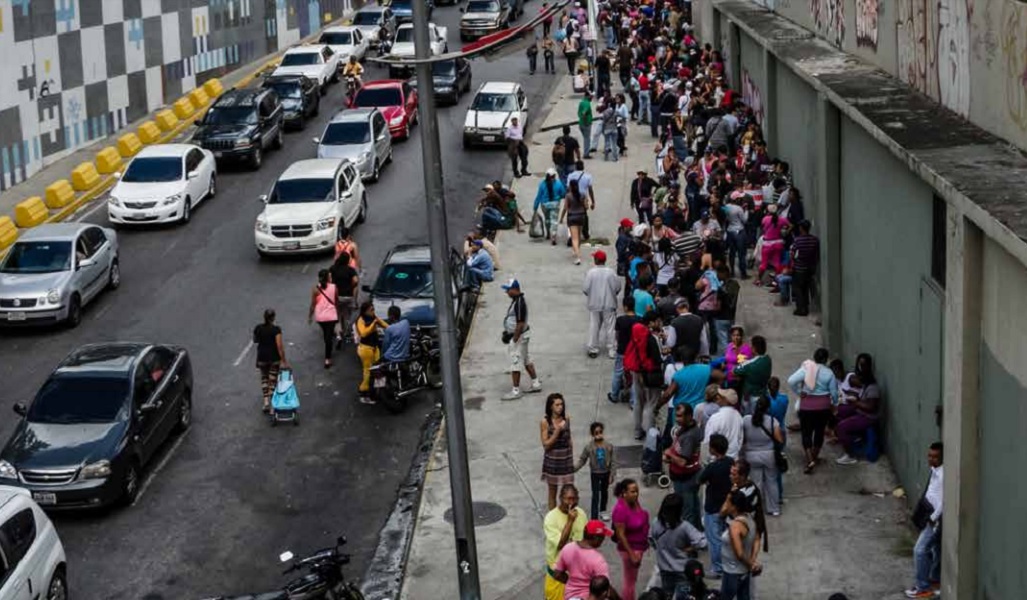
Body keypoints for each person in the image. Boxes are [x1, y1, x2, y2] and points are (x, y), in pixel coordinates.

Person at [787, 347, 839, 473]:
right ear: (826, 360)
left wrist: (799, 392)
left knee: (806, 433)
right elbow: (834, 393)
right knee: (819, 433)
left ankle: (810, 460)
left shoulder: (807, 368)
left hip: (807, 406)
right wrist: (834, 405)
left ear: (814, 357)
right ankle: (814, 458)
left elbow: (791, 381)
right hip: (823, 407)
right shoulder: (829, 373)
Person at [650, 493, 707, 598]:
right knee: (683, 596)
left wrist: (660, 549)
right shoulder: (685, 527)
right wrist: (690, 548)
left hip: (664, 569)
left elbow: (651, 539)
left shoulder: (656, 523)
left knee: (667, 595)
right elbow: (702, 542)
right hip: (682, 570)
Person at [905, 442, 943, 598]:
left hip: (934, 518)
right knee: (934, 549)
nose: (931, 459)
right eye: (929, 455)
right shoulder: (935, 470)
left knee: (920, 551)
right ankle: (934, 579)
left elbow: (944, 501)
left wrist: (933, 518)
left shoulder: (944, 474)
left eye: (935, 457)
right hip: (929, 514)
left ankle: (923, 588)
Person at [698, 434, 733, 578]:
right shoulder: (731, 462)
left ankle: (718, 568)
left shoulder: (712, 467)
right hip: (727, 506)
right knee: (725, 537)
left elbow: (700, 479)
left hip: (713, 507)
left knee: (714, 539)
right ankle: (727, 563)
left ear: (713, 449)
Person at [551, 520, 616, 600]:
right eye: (603, 536)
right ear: (596, 538)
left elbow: (557, 575)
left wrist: (572, 582)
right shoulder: (598, 560)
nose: (603, 539)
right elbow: (606, 588)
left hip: (570, 597)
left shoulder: (568, 548)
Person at [834, 359, 882, 465]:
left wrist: (855, 402)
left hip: (868, 417)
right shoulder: (866, 386)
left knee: (841, 427)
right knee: (839, 416)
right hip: (861, 413)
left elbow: (870, 407)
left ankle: (850, 455)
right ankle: (854, 439)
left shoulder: (872, 388)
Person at [625, 312, 664, 440]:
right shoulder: (651, 338)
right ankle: (651, 433)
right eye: (656, 321)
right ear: (651, 323)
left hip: (636, 371)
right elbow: (657, 359)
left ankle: (637, 430)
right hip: (649, 373)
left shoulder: (636, 332)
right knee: (652, 404)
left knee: (638, 402)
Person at [663, 403, 704, 528]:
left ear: (689, 416)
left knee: (687, 511)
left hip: (686, 479)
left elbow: (682, 461)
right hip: (682, 477)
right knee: (693, 506)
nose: (677, 419)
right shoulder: (684, 429)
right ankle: (697, 531)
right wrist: (670, 457)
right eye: (676, 415)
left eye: (680, 416)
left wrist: (670, 454)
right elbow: (677, 448)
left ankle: (690, 539)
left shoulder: (690, 436)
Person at [742, 396, 784, 517]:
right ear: (768, 408)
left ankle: (756, 508)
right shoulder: (772, 421)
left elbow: (743, 439)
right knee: (771, 482)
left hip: (751, 455)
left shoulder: (746, 420)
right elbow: (779, 439)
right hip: (769, 455)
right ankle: (774, 508)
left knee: (756, 483)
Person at [544, 484, 587, 600]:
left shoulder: (581, 514)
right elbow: (560, 545)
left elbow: (584, 540)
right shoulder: (551, 518)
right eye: (568, 498)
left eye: (574, 498)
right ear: (560, 498)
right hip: (558, 576)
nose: (571, 502)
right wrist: (570, 521)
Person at [502, 279, 542, 400]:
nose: (507, 292)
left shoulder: (519, 303)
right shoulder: (517, 301)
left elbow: (520, 323)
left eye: (508, 290)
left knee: (515, 362)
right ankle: (536, 383)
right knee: (526, 360)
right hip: (522, 335)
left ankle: (515, 391)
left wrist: (514, 339)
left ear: (515, 289)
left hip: (520, 337)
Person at [612, 478, 650, 600]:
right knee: (630, 583)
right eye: (633, 492)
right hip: (630, 549)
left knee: (632, 580)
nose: (636, 494)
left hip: (639, 547)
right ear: (624, 492)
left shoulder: (634, 502)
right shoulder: (620, 510)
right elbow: (620, 535)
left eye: (637, 491)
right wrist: (632, 555)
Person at [720, 489, 761, 600]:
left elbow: (739, 553)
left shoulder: (735, 526)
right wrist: (752, 561)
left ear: (734, 507)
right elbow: (757, 539)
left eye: (728, 501)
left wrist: (751, 564)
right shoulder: (749, 517)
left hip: (732, 572)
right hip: (744, 570)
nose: (725, 504)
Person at [583, 250, 622, 358]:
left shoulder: (591, 273)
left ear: (596, 260)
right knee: (610, 327)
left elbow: (585, 289)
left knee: (594, 326)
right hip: (609, 304)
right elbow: (618, 287)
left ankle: (593, 348)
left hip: (594, 304)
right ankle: (612, 350)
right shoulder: (611, 272)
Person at [574, 422, 617, 520]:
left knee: (604, 493)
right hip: (595, 474)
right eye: (596, 433)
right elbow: (582, 459)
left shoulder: (608, 446)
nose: (598, 434)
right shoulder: (589, 447)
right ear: (592, 434)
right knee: (595, 495)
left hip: (606, 473)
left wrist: (612, 474)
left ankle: (603, 511)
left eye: (600, 432)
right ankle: (594, 516)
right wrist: (574, 468)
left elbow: (613, 461)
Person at [541, 393, 576, 510]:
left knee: (569, 491)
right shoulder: (545, 422)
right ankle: (552, 518)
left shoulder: (566, 419)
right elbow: (546, 445)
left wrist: (571, 450)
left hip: (565, 458)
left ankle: (568, 514)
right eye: (557, 405)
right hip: (553, 460)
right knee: (552, 492)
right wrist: (557, 431)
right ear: (551, 406)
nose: (560, 407)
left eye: (561, 404)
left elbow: (569, 437)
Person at [254, 309, 287, 413]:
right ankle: (272, 406)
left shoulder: (258, 328)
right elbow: (279, 346)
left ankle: (266, 402)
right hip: (273, 358)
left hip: (262, 357)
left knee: (264, 378)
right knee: (272, 381)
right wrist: (284, 361)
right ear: (273, 317)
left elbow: (255, 340)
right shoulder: (276, 330)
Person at [355, 302, 388, 404]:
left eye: (373, 309)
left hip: (375, 347)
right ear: (365, 311)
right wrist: (374, 324)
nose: (373, 312)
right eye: (371, 310)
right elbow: (363, 333)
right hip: (366, 349)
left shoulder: (373, 317)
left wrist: (393, 329)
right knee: (368, 372)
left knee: (378, 369)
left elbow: (383, 323)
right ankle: (363, 393)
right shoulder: (360, 320)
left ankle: (378, 390)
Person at [610, 296, 639, 405]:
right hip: (635, 353)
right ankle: (633, 402)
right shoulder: (639, 320)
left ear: (625, 307)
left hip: (622, 351)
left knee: (618, 373)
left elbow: (617, 335)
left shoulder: (620, 320)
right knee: (635, 377)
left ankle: (614, 395)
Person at [308, 269, 338, 369]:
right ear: (328, 278)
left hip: (320, 317)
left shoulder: (316, 289)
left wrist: (310, 317)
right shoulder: (334, 287)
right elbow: (336, 301)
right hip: (332, 315)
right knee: (328, 336)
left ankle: (330, 337)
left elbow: (313, 304)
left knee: (326, 333)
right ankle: (327, 358)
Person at [329, 251, 359, 347]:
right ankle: (346, 333)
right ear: (347, 260)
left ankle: (338, 336)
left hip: (337, 296)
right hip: (348, 296)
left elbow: (329, 281)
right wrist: (350, 287)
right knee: (347, 315)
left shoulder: (333, 269)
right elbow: (356, 281)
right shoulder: (350, 269)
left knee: (337, 317)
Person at [703, 389, 744, 459]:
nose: (717, 397)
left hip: (717, 460)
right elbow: (740, 439)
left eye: (720, 396)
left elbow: (707, 440)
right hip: (733, 458)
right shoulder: (739, 416)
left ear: (726, 400)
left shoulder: (716, 417)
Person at [790, 219, 819, 316]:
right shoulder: (814, 240)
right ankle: (806, 307)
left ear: (801, 228)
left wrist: (793, 262)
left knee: (798, 289)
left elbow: (792, 253)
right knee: (806, 288)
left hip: (799, 268)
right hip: (810, 268)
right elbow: (816, 255)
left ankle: (800, 309)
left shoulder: (798, 240)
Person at [733, 335, 772, 409]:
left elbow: (735, 371)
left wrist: (739, 355)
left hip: (750, 397)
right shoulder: (768, 359)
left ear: (754, 348)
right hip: (763, 394)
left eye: (752, 346)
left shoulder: (749, 365)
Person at [560, 177, 589, 265]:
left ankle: (577, 256)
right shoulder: (582, 195)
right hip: (581, 216)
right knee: (579, 236)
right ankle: (577, 250)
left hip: (572, 217)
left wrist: (561, 218)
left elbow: (565, 208)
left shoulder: (568, 196)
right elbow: (586, 207)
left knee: (574, 238)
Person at [536, 168, 568, 243]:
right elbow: (563, 194)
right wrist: (559, 197)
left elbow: (539, 196)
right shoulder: (558, 184)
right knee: (554, 220)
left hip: (544, 204)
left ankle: (548, 233)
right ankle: (553, 236)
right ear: (554, 175)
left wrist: (535, 206)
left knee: (547, 219)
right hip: (555, 204)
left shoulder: (542, 184)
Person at [578, 92, 596, 158]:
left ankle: (586, 152)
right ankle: (586, 154)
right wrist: (586, 121)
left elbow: (579, 113)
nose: (592, 98)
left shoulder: (581, 102)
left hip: (581, 124)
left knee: (585, 138)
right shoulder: (587, 104)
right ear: (588, 96)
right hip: (586, 124)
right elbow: (583, 113)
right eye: (591, 96)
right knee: (587, 139)